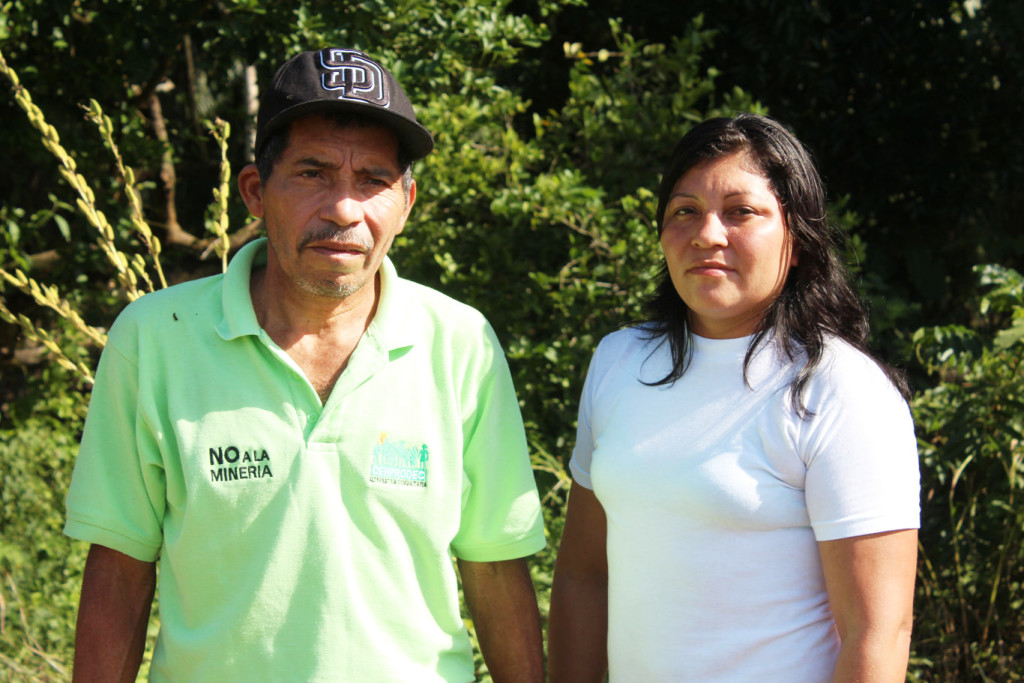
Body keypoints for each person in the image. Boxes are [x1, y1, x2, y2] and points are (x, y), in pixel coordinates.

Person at [64, 47, 546, 682]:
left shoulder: (461, 344)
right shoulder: (155, 339)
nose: (344, 210)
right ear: (256, 192)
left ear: (406, 202)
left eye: (372, 180)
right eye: (313, 173)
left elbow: (494, 564)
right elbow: (120, 569)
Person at [548, 114, 920, 682]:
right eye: (685, 211)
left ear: (797, 239)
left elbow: (876, 632)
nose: (708, 234)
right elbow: (582, 578)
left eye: (741, 212)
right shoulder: (619, 364)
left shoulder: (841, 391)